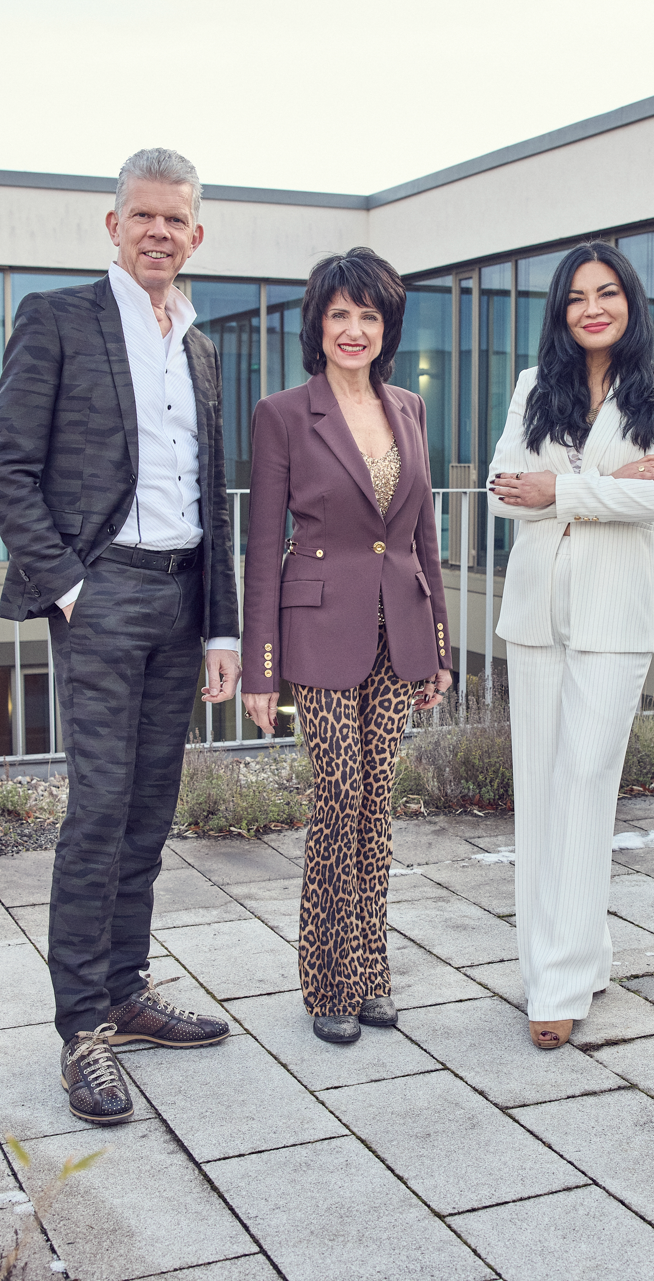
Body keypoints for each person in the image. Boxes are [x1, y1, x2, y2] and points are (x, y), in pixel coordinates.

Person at [0, 147, 241, 1127]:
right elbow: (7, 469)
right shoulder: (58, 319)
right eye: (144, 216)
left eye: (175, 220)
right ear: (114, 224)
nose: (158, 233)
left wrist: (221, 624)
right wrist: (71, 590)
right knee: (97, 811)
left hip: (181, 595)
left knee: (149, 808)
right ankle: (81, 1027)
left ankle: (125, 991)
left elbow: (211, 494)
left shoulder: (200, 345)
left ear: (195, 234)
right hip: (102, 594)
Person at [242, 248, 453, 1045]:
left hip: (400, 628)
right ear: (318, 324)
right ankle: (328, 977)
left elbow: (423, 535)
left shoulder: (409, 407)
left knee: (377, 802)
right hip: (317, 626)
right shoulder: (282, 413)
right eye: (340, 314)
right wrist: (260, 666)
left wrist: (437, 645)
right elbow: (263, 546)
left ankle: (372, 970)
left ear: (386, 326)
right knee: (338, 795)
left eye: (369, 315)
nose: (354, 329)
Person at [488, 242, 654, 1051]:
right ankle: (575, 957)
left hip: (612, 618)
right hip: (534, 613)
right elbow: (503, 492)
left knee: (584, 781)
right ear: (561, 311)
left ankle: (559, 985)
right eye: (576, 297)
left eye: (607, 293)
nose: (592, 308)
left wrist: (562, 490)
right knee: (540, 791)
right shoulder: (534, 387)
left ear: (630, 302)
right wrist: (613, 486)